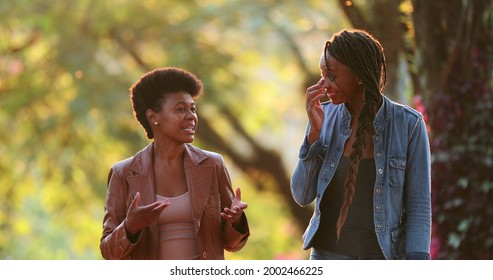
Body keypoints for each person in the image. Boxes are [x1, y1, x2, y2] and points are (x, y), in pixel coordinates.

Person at [290, 29, 431, 260]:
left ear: (359, 74)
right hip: (326, 258)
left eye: (332, 75)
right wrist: (313, 136)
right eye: (322, 74)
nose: (323, 83)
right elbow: (302, 195)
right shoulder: (321, 118)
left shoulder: (409, 125)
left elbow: (419, 209)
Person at [100, 67, 250, 260]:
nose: (191, 116)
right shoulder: (123, 173)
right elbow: (108, 251)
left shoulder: (212, 165)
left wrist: (236, 221)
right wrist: (130, 226)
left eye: (193, 109)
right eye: (181, 109)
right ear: (153, 117)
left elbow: (232, 244)